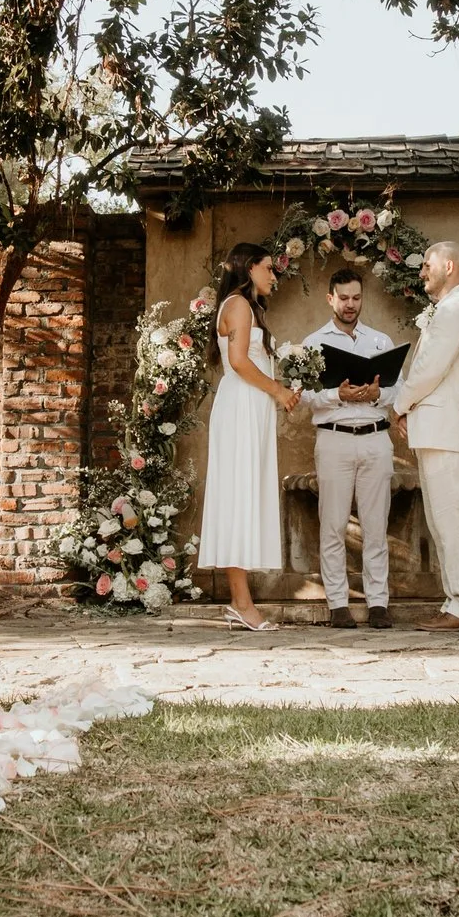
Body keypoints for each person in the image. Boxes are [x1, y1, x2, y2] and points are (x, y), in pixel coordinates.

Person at [203, 243, 302, 632]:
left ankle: (241, 601)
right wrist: (278, 391)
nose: (273, 277)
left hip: (250, 407)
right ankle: (241, 604)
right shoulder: (239, 305)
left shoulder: (245, 307)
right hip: (241, 406)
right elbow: (241, 360)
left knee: (244, 495)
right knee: (236, 498)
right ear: (249, 269)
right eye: (268, 269)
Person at [393, 242, 459, 633]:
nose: (422, 271)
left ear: (449, 266)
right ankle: (457, 602)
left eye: (427, 264)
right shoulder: (452, 310)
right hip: (438, 430)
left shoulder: (457, 309)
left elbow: (430, 367)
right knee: (442, 522)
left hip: (448, 431)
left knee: (453, 522)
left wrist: (399, 405)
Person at [299, 268, 401, 628]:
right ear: (330, 298)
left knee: (376, 526)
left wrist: (379, 394)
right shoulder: (312, 344)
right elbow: (304, 395)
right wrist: (335, 394)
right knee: (333, 524)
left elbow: (398, 391)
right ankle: (338, 604)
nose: (350, 305)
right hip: (334, 439)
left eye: (356, 298)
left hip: (376, 437)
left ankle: (378, 604)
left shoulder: (380, 341)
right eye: (343, 298)